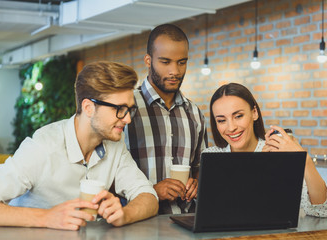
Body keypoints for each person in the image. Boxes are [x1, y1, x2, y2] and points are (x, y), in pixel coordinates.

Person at [0, 61, 159, 230]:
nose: (127, 119)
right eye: (119, 110)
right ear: (88, 108)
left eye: (129, 110)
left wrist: (125, 214)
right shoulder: (43, 147)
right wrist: (46, 217)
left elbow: (148, 196)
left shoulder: (115, 145)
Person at [204, 82, 327, 217]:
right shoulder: (211, 156)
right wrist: (258, 165)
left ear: (254, 113)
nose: (231, 127)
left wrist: (304, 159)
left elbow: (320, 210)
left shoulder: (277, 153)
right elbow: (216, 211)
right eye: (221, 120)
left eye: (238, 116)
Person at [125, 24, 208, 214]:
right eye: (165, 62)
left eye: (181, 62)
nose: (175, 71)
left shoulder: (195, 113)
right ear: (148, 60)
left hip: (187, 221)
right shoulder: (126, 107)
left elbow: (200, 167)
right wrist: (151, 191)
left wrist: (197, 183)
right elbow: (109, 175)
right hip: (139, 222)